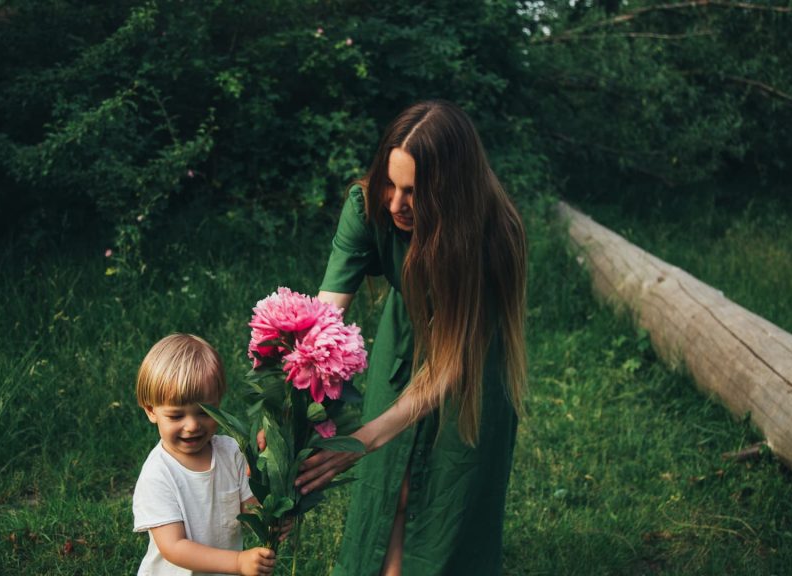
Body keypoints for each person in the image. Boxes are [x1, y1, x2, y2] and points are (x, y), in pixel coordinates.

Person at [296, 100, 528, 575]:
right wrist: (292, 405)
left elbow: (448, 367)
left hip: (470, 358)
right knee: (390, 489)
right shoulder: (367, 205)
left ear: (452, 194)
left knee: (448, 495)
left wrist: (357, 442)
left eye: (415, 193)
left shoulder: (493, 238)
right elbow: (325, 318)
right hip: (406, 337)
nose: (396, 204)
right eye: (390, 184)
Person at [132, 333, 276, 576]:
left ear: (218, 404)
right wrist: (239, 562)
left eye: (204, 412)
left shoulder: (231, 452)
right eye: (176, 416)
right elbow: (174, 547)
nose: (192, 426)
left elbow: (250, 507)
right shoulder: (158, 474)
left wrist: (271, 521)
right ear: (151, 411)